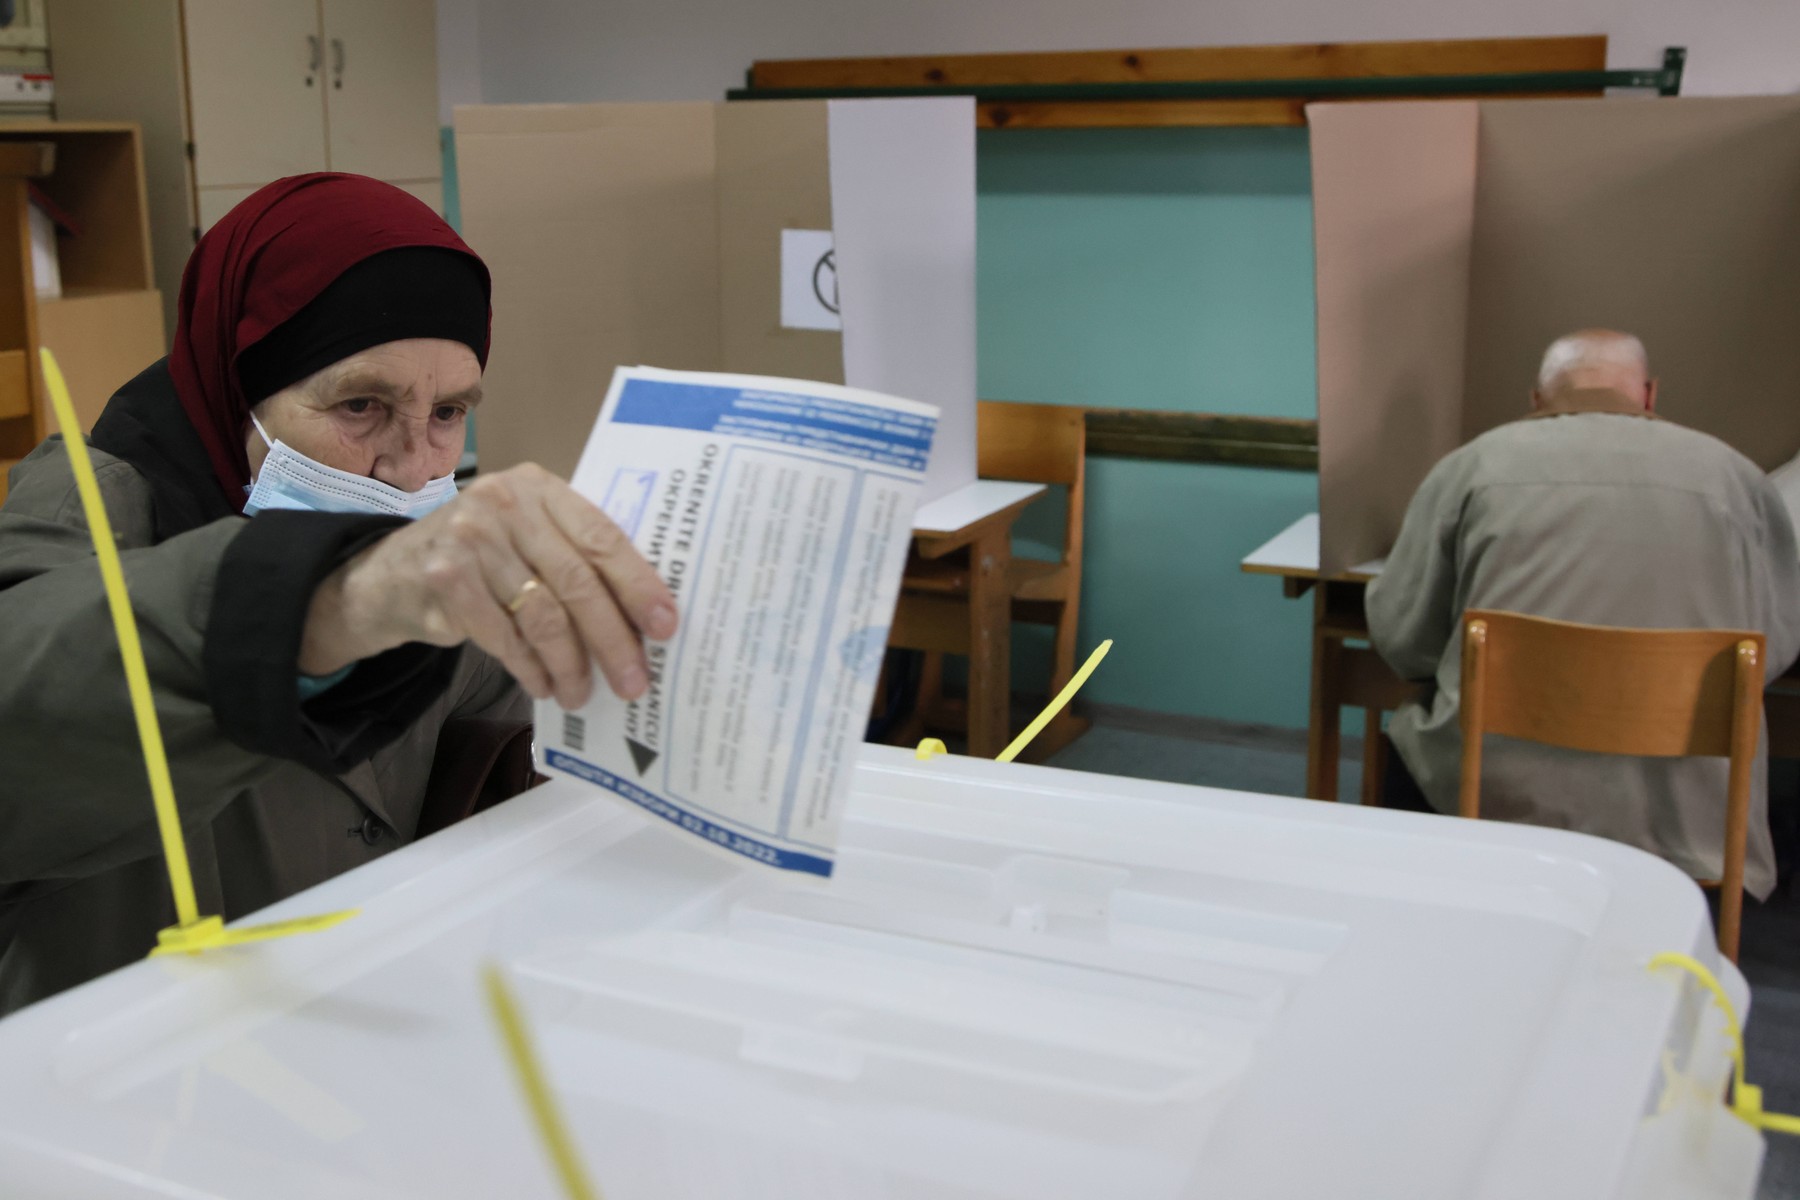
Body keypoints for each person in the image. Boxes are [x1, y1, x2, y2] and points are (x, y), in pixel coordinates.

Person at [0, 174, 677, 1014]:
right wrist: (326, 599)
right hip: (127, 1077)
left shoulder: (441, 537)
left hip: (359, 1045)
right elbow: (26, 730)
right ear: (236, 389)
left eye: (449, 411)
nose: (412, 464)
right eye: (361, 404)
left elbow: (512, 736)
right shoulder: (88, 510)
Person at [1367, 329, 1800, 898]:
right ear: (1648, 395)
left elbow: (1405, 641)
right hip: (1687, 810)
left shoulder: (1471, 468)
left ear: (1537, 399)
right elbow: (1774, 646)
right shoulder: (1735, 477)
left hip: (1496, 794)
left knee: (1407, 730)